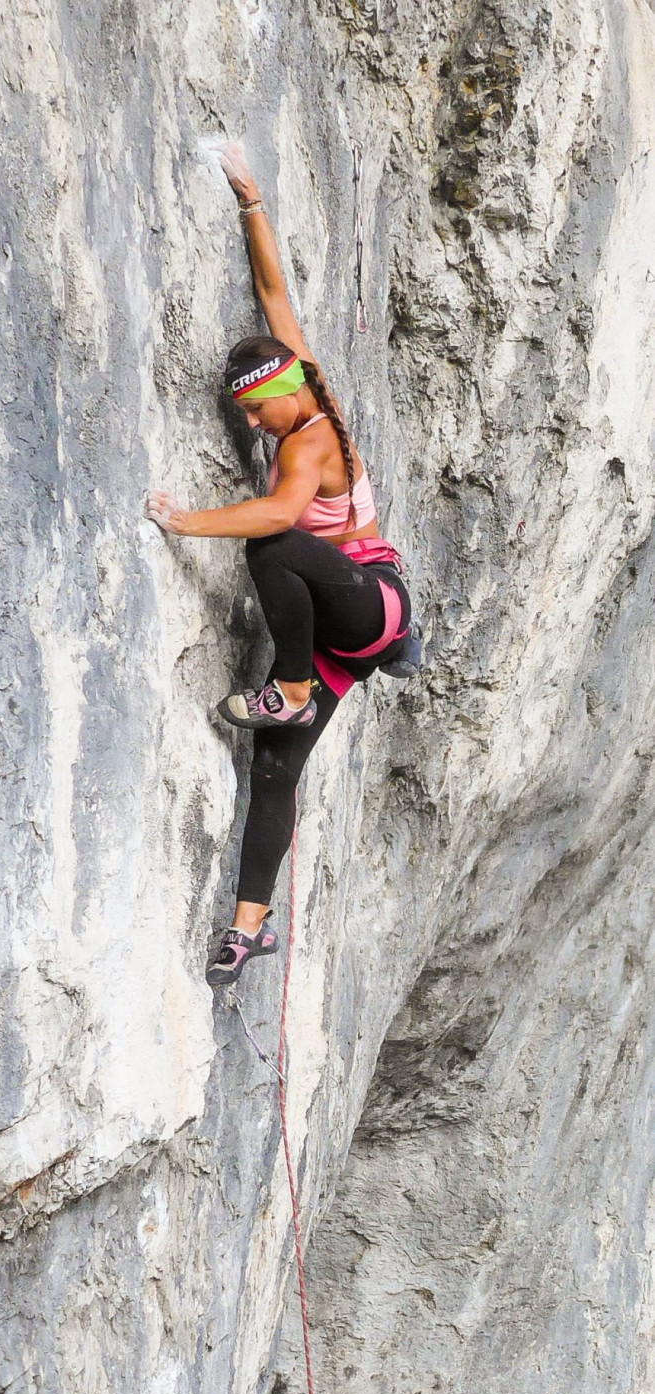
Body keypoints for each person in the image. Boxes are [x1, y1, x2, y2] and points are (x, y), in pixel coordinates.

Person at [146, 143, 415, 988]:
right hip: (344, 637)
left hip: (374, 602)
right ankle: (247, 929)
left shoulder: (316, 437)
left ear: (282, 390)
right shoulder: (299, 373)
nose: (256, 425)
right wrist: (252, 205)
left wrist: (185, 522)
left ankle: (290, 687)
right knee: (275, 764)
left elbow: (277, 518)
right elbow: (273, 294)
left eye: (256, 410)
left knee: (270, 541)